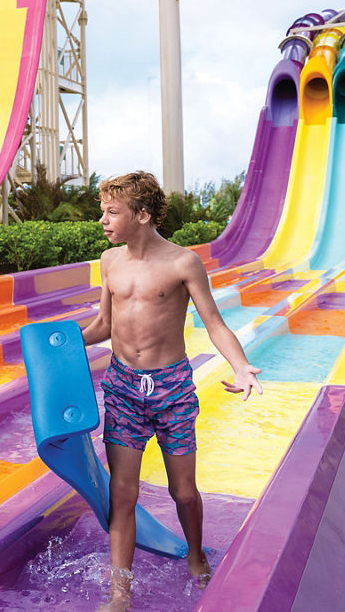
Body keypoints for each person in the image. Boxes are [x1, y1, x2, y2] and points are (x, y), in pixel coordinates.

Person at [81, 172, 262, 611]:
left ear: (142, 215)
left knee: (183, 491)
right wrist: (56, 341)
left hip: (172, 390)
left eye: (111, 212)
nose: (102, 220)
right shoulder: (110, 261)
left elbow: (214, 323)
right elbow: (103, 326)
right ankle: (119, 592)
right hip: (123, 387)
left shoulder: (183, 263)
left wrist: (242, 367)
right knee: (122, 493)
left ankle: (196, 556)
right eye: (102, 211)